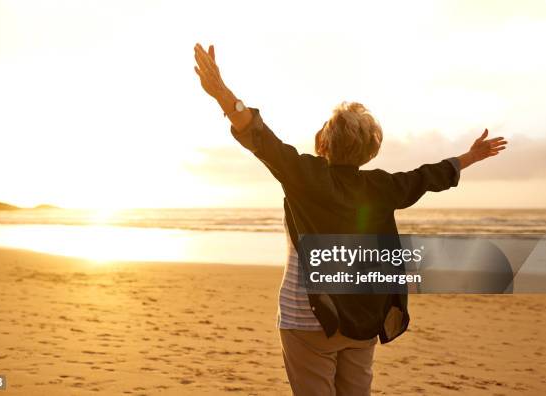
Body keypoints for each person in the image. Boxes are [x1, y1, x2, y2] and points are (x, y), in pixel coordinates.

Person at [193, 43, 508, 396]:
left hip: (308, 320)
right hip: (362, 318)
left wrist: (222, 93)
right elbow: (425, 177)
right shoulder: (381, 186)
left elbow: (258, 136)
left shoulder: (304, 174)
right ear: (370, 149)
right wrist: (469, 156)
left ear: (324, 142)